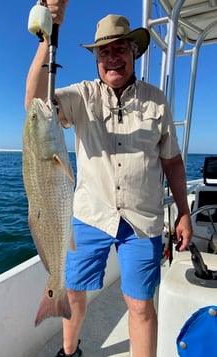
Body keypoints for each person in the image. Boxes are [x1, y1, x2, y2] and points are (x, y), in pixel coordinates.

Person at [25, 1, 193, 356]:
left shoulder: (157, 102)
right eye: (105, 52)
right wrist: (47, 36)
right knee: (72, 290)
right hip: (90, 214)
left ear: (134, 52)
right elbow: (35, 101)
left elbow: (173, 162)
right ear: (96, 59)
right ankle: (69, 352)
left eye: (120, 49)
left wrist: (183, 211)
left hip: (142, 219)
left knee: (141, 305)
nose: (113, 58)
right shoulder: (81, 96)